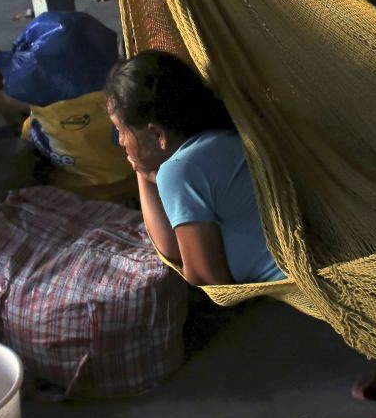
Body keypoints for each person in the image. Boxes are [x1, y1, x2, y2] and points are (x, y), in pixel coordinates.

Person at [104, 50, 282, 287]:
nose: (120, 142)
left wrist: (152, 173)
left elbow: (205, 277)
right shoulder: (224, 136)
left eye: (120, 130)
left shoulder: (180, 171)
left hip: (291, 290)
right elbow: (171, 246)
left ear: (157, 134)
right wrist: (144, 173)